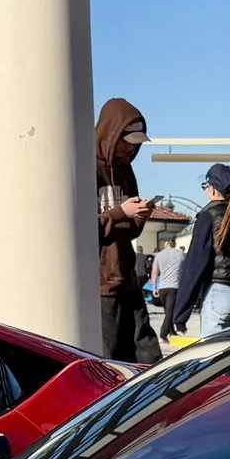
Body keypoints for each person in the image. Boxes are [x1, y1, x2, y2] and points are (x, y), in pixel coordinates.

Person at [92, 97, 153, 359]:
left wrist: (140, 215)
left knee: (147, 355)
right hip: (102, 283)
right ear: (112, 134)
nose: (131, 149)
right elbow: (81, 230)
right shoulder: (87, 168)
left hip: (128, 278)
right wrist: (120, 212)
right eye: (127, 142)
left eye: (137, 144)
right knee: (111, 358)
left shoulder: (127, 172)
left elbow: (130, 232)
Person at [166, 163, 230, 338]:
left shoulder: (208, 216)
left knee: (214, 352)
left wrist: (180, 313)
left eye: (205, 186)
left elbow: (195, 264)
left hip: (216, 292)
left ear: (213, 189)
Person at [150, 233, 186, 322]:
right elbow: (185, 270)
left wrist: (154, 287)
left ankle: (168, 329)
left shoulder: (159, 255)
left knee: (168, 312)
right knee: (170, 313)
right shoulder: (181, 254)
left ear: (166, 243)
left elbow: (154, 272)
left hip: (162, 287)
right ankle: (165, 329)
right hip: (174, 286)